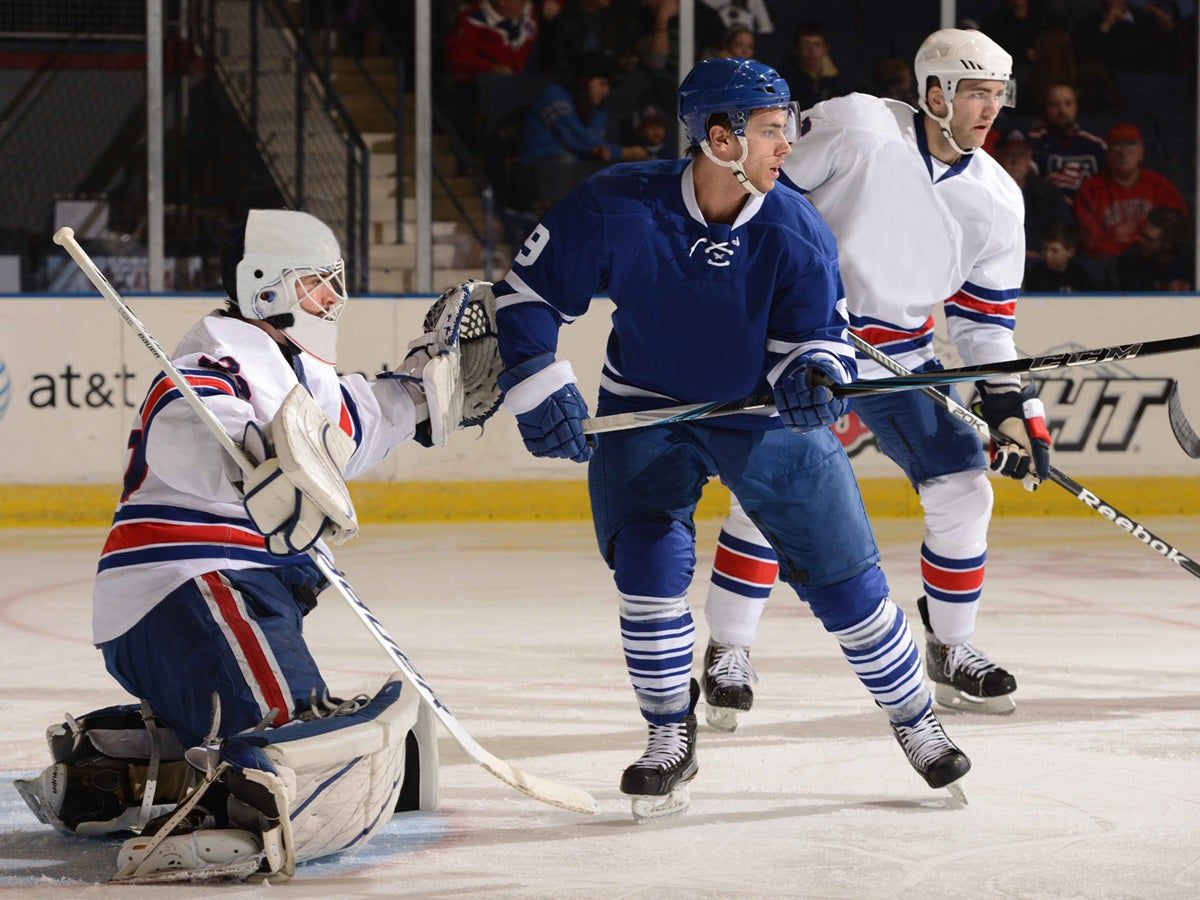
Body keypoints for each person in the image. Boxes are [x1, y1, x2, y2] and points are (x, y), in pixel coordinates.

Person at [493, 57, 970, 821]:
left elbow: (818, 333)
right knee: (647, 567)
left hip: (759, 414)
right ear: (720, 139)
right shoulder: (618, 203)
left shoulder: (795, 226)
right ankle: (667, 735)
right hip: (646, 408)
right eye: (773, 130)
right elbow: (526, 296)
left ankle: (917, 720)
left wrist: (812, 371)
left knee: (845, 580)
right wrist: (537, 382)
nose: (788, 146)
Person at [13, 211, 494, 882]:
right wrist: (253, 450)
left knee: (273, 721)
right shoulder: (217, 355)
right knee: (288, 737)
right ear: (265, 286)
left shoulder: (297, 369)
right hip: (190, 585)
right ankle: (237, 808)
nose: (334, 297)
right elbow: (184, 422)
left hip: (225, 590)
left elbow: (350, 426)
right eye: (318, 282)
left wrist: (421, 390)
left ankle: (115, 765)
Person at [700, 29, 1052, 730]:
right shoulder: (859, 124)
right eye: (975, 92)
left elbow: (983, 326)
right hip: (804, 349)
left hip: (903, 360)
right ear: (934, 94)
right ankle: (729, 647)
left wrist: (1012, 408)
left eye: (997, 94)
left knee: (964, 488)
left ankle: (950, 647)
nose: (990, 109)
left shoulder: (998, 200)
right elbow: (763, 197)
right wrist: (784, 299)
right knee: (774, 494)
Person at [1075, 122, 1188, 259]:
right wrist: (1127, 254)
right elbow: (1091, 240)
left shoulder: (1159, 185)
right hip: (1110, 262)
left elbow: (1177, 228)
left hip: (1154, 259)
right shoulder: (1091, 189)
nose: (1124, 153)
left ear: (1142, 152)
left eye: (1131, 145)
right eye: (1117, 145)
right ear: (1108, 153)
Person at [993, 127, 1072, 264]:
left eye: (1021, 155)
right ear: (998, 157)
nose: (1016, 161)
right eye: (1009, 154)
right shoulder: (985, 191)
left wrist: (1045, 253)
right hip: (997, 262)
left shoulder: (1046, 191)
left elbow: (1061, 227)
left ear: (1030, 158)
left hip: (1041, 262)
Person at [1027, 82, 1107, 205]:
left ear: (1076, 106)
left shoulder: (1096, 145)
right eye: (1054, 104)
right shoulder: (1032, 144)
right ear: (1045, 108)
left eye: (1068, 103)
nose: (1062, 110)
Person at [777, 21, 854, 111]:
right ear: (796, 49)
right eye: (805, 45)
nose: (811, 50)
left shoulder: (844, 73)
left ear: (825, 48)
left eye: (817, 45)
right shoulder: (783, 78)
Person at [1116, 206, 1194, 291]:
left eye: (1150, 239)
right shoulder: (1131, 260)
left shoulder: (1193, 265)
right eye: (1142, 234)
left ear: (1169, 245)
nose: (1141, 241)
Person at [1024, 221, 1098, 291]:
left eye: (1054, 250)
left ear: (1070, 252)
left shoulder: (1079, 275)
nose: (1047, 255)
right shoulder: (1036, 275)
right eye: (1045, 249)